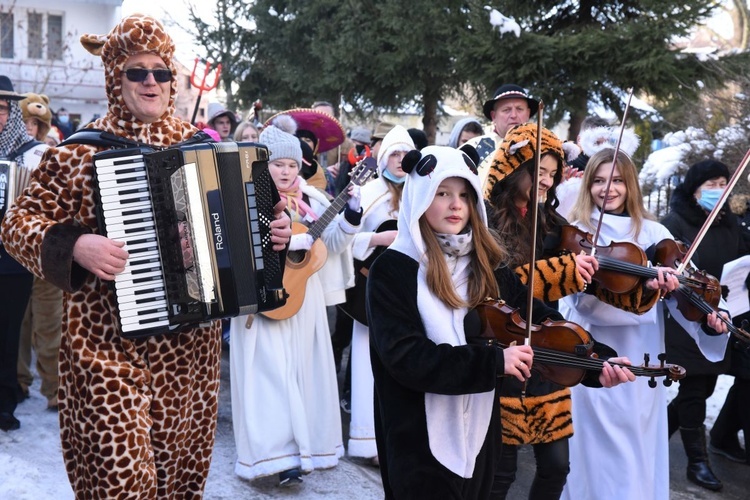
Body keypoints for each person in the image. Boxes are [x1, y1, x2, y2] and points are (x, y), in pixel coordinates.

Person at [0, 15, 291, 497]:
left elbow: (253, 230)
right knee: (121, 483)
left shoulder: (204, 146)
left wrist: (275, 233)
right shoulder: (77, 153)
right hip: (105, 351)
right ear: (116, 77)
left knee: (178, 485)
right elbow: (16, 226)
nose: (150, 81)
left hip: (190, 358)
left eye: (159, 71)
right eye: (136, 71)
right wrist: (74, 245)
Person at [368, 144, 634, 500]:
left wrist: (595, 361)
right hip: (416, 438)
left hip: (480, 436)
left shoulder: (486, 262)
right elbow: (405, 357)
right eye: (442, 193)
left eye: (464, 194)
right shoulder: (394, 267)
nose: (455, 204)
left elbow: (537, 319)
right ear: (419, 196)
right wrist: (494, 362)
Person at [559, 149, 729, 500]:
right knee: (595, 455)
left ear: (631, 185)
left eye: (618, 180)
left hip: (644, 361)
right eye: (600, 180)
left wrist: (712, 316)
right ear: (588, 183)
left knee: (635, 452)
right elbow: (581, 301)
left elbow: (687, 291)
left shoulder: (654, 232)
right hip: (593, 357)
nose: (609, 189)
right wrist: (644, 292)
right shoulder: (577, 233)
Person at [229, 115, 361, 487]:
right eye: (277, 164)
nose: (286, 172)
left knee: (303, 376)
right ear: (263, 165)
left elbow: (332, 245)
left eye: (291, 164)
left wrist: (351, 216)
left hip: (304, 301)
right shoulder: (244, 198)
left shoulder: (314, 200)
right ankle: (271, 456)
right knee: (267, 377)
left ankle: (306, 450)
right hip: (261, 299)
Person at [661, 160, 749, 490]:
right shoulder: (675, 222)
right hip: (684, 316)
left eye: (724, 182)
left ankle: (655, 434)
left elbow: (741, 259)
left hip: (718, 314)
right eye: (711, 183)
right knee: (696, 387)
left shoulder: (730, 223)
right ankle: (697, 463)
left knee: (702, 386)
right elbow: (668, 265)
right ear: (694, 187)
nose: (718, 189)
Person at [344, 124, 415, 464]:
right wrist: (377, 239)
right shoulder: (367, 190)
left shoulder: (421, 190)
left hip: (411, 290)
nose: (400, 161)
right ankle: (366, 441)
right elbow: (342, 239)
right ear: (384, 158)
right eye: (394, 154)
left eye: (405, 154)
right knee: (366, 363)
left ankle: (396, 440)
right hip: (370, 288)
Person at [0, 75, 48, 432]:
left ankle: (5, 401)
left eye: (2, 109)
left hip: (13, 259)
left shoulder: (32, 152)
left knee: (9, 331)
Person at [464, 83, 538, 186]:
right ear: (494, 116)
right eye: (506, 110)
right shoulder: (473, 147)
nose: (513, 115)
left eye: (519, 109)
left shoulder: (540, 148)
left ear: (528, 113)